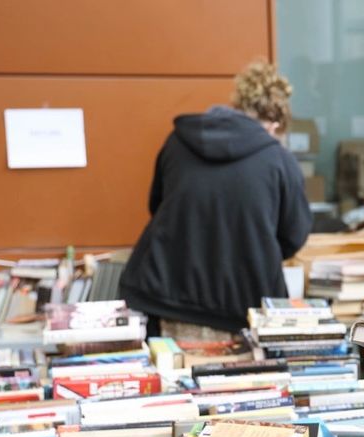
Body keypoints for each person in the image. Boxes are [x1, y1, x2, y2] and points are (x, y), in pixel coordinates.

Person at [120, 58, 312, 337]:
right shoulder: (278, 161)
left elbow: (157, 206)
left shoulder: (178, 142)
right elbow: (293, 236)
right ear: (273, 124)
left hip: (164, 298)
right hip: (242, 309)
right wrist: (251, 247)